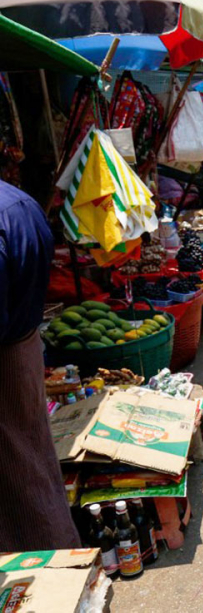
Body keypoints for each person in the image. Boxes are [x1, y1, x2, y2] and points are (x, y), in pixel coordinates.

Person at [0, 179, 81, 551]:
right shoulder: (18, 203)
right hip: (23, 348)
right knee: (33, 466)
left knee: (20, 479)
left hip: (8, 358)